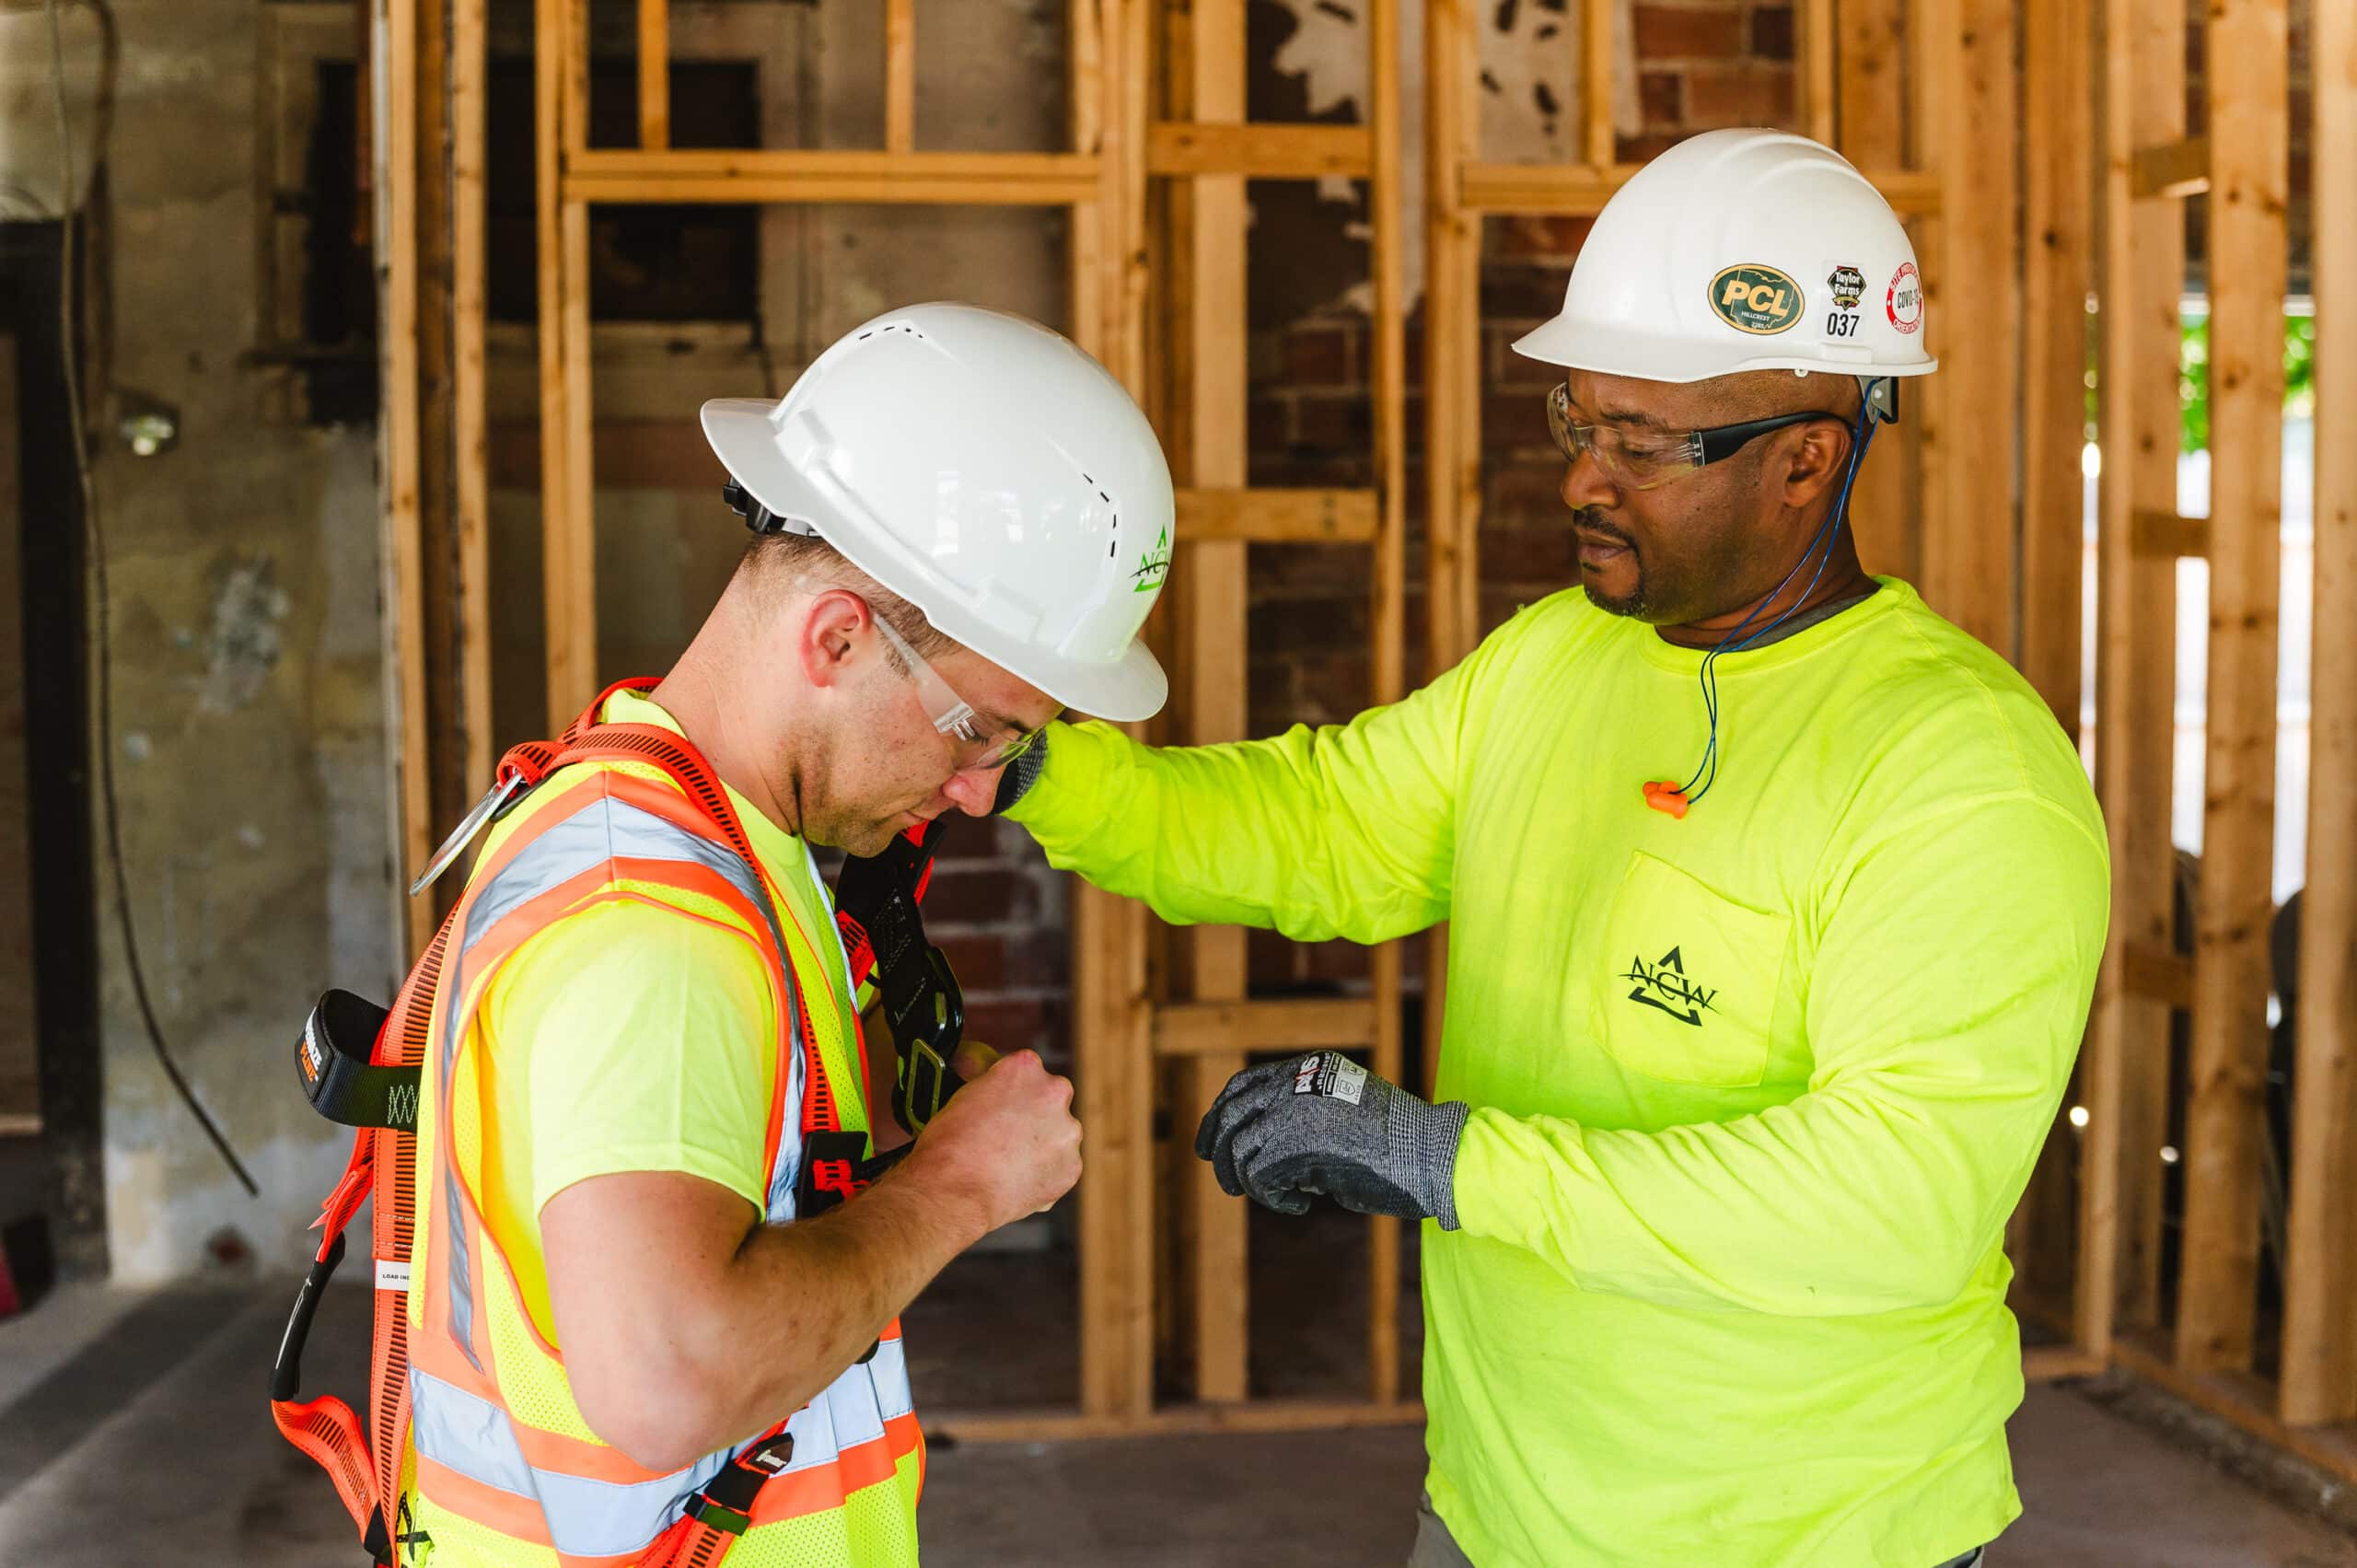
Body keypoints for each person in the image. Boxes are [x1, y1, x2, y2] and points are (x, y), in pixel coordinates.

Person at [993, 129, 2108, 1566]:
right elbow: (1325, 830)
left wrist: (1446, 1162)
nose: (1584, 480)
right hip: (1497, 1513)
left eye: (1640, 445)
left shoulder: (1959, 775)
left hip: (1809, 1535)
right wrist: (1030, 765)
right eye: (1578, 424)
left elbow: (1886, 1204)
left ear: (1805, 461)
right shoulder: (1556, 664)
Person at [393, 303, 1174, 1566]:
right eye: (980, 730)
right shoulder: (654, 928)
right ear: (839, 637)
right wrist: (962, 1186)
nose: (980, 790)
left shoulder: (676, 825)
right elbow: (669, 1381)